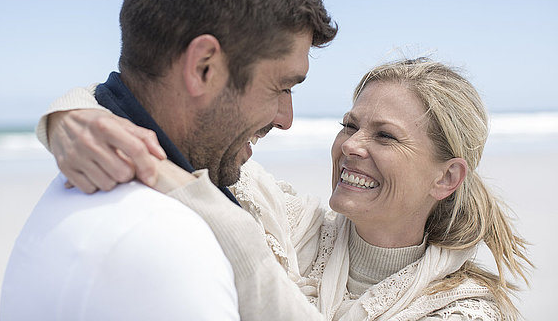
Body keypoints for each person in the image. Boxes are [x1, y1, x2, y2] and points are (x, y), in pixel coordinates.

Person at [0, 0, 337, 321]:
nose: (286, 120)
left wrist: (73, 112)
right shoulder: (166, 244)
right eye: (281, 86)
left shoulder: (153, 196)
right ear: (203, 67)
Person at [42, 58, 532, 320]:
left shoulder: (464, 311)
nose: (351, 146)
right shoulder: (291, 222)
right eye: (349, 125)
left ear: (446, 178)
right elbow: (148, 115)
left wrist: (230, 231)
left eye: (384, 136)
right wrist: (70, 123)